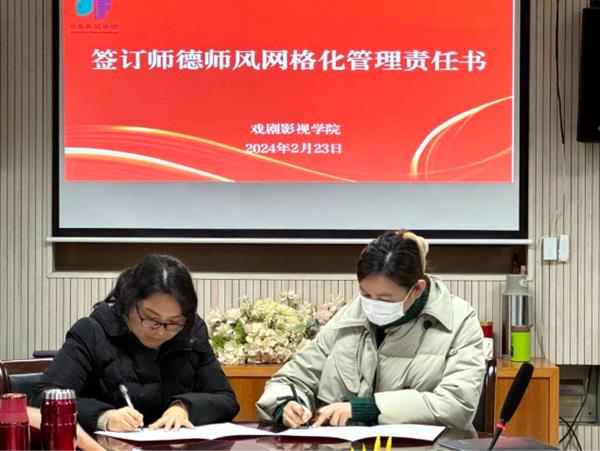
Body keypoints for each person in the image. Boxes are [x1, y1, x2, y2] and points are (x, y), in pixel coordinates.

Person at [256, 230, 485, 430]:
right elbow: (292, 378)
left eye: (385, 299)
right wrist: (287, 405)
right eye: (366, 294)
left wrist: (370, 408)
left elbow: (457, 405)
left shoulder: (458, 320)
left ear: (417, 289)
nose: (373, 305)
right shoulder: (351, 315)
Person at [31, 255, 239, 434]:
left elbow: (226, 399)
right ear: (128, 302)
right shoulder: (93, 331)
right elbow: (43, 398)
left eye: (173, 322)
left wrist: (184, 407)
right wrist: (105, 417)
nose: (160, 331)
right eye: (150, 319)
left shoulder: (191, 332)